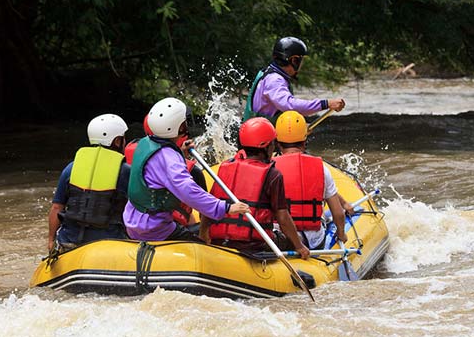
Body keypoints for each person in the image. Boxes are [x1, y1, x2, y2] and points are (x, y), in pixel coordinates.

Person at [124, 97, 248, 241]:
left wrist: (180, 152)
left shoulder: (145, 143)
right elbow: (187, 189)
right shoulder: (169, 159)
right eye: (184, 122)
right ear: (179, 127)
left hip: (132, 221)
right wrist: (224, 208)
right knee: (204, 243)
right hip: (154, 229)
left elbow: (160, 167)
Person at [199, 117, 310, 259]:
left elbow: (209, 206)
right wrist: (299, 246)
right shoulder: (273, 175)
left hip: (220, 241)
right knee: (290, 238)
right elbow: (283, 217)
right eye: (272, 144)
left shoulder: (226, 167)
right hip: (255, 245)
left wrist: (203, 233)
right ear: (266, 146)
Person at [47, 114, 130, 251]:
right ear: (117, 141)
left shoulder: (71, 168)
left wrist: (50, 241)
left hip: (69, 241)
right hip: (108, 243)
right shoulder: (125, 171)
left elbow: (56, 208)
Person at [274, 111, 350, 250]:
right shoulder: (321, 168)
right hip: (313, 241)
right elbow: (338, 213)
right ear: (304, 142)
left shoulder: (269, 168)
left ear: (278, 144)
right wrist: (341, 234)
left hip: (280, 235)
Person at [125, 114, 203, 228]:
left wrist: (179, 154)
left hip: (131, 223)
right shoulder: (194, 171)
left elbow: (160, 159)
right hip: (164, 226)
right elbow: (205, 212)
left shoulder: (134, 155)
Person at [243, 36, 346, 122]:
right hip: (258, 138)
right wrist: (326, 104)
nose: (302, 65)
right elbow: (290, 105)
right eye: (301, 61)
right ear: (294, 60)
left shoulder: (271, 73)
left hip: (259, 131)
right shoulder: (275, 80)